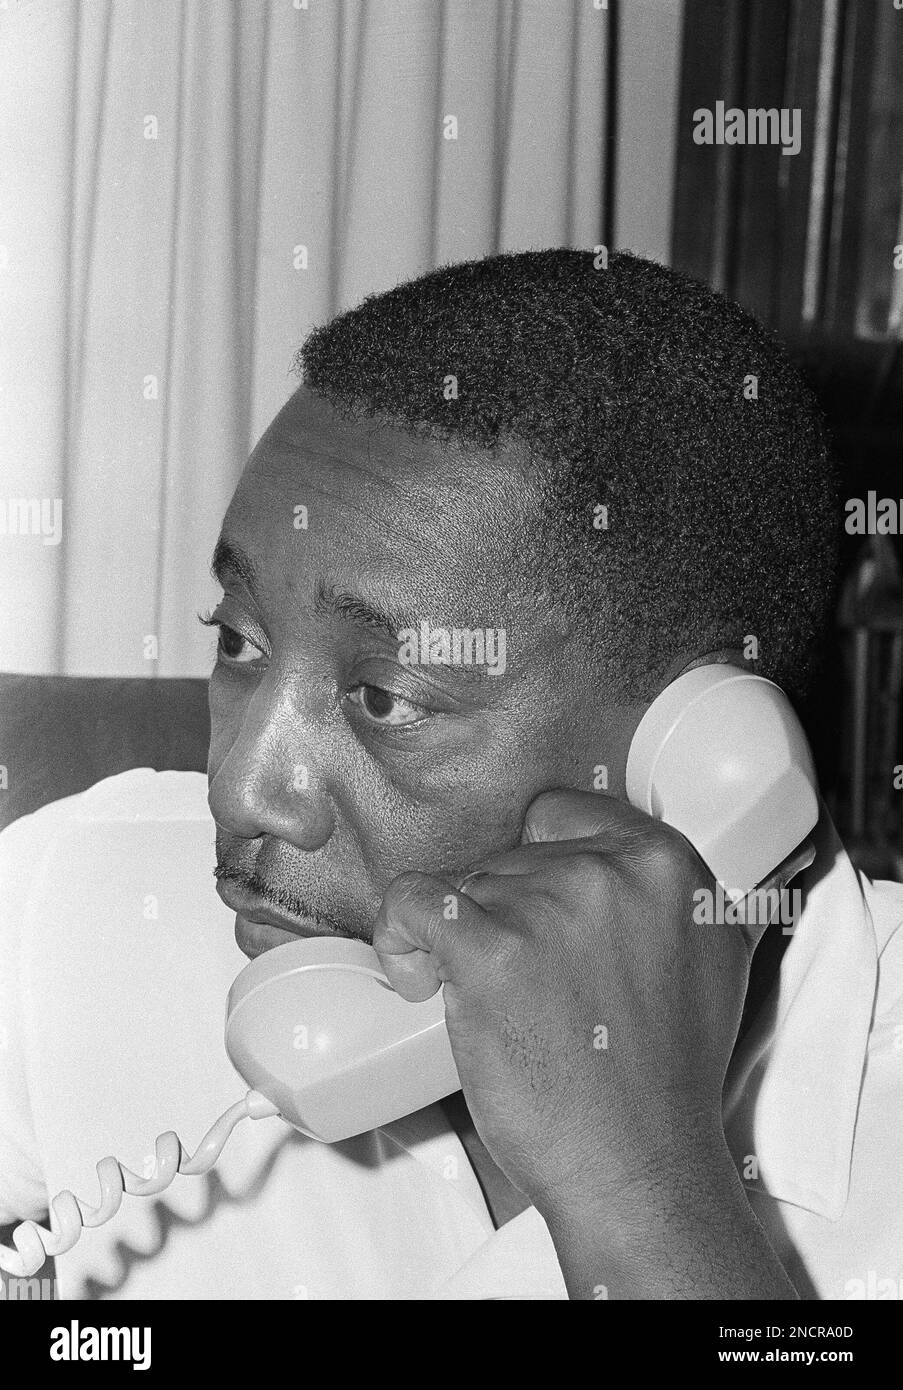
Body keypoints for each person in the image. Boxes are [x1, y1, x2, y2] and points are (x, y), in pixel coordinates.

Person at [2, 250, 901, 1300]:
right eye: (239, 641)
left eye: (385, 699)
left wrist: (646, 1191)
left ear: (698, 763)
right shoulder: (88, 899)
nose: (245, 788)